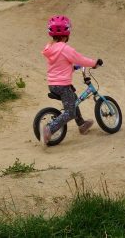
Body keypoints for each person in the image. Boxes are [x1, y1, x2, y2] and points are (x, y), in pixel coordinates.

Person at [41, 14, 102, 146]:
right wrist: (93, 63)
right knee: (69, 112)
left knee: (73, 99)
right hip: (62, 85)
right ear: (67, 33)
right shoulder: (65, 49)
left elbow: (60, 65)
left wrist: (72, 67)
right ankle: (50, 129)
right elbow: (80, 58)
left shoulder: (50, 48)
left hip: (52, 84)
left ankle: (82, 124)